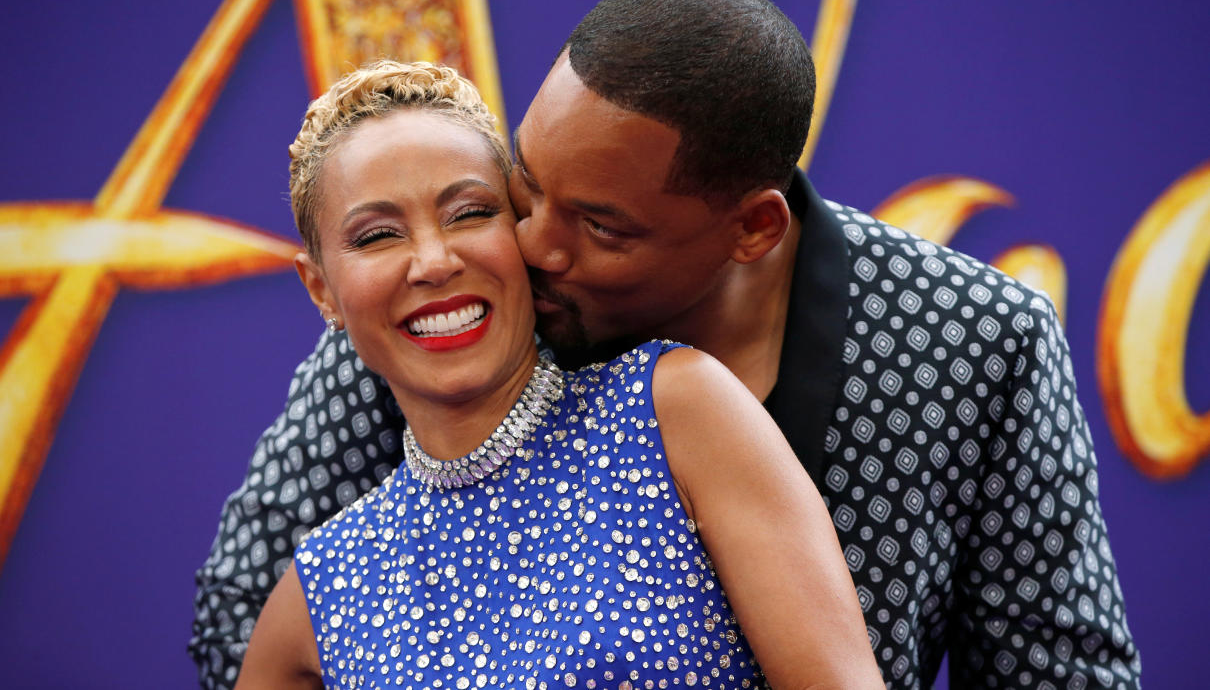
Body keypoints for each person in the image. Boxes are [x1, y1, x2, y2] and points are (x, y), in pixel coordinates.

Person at [192, 0, 1142, 689]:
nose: (534, 244)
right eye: (523, 187)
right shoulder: (444, 300)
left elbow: (1059, 670)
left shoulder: (971, 339)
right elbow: (254, 611)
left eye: (599, 226)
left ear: (753, 229)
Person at [232, 59, 883, 689]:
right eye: (377, 236)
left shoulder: (674, 410)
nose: (433, 261)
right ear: (320, 289)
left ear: (520, 229)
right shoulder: (327, 589)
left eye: (469, 213)